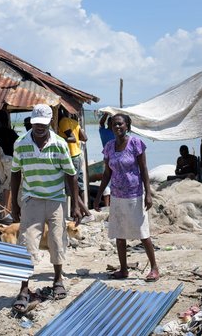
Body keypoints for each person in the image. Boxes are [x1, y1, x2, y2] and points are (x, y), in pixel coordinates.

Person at [10, 104, 88, 312]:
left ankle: (58, 280)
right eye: (36, 123)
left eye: (43, 124)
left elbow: (70, 174)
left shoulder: (60, 144)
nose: (39, 127)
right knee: (27, 243)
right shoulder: (21, 144)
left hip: (56, 200)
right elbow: (16, 173)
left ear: (49, 123)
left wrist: (76, 205)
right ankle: (24, 288)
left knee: (56, 240)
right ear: (31, 122)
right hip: (32, 199)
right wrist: (13, 205)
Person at [93, 114, 160, 282]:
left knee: (142, 232)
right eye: (114, 124)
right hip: (116, 195)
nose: (117, 127)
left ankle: (154, 268)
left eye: (120, 124)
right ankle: (123, 269)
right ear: (111, 127)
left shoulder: (136, 143)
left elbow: (144, 169)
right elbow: (107, 172)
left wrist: (148, 193)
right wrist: (99, 195)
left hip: (134, 195)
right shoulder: (109, 146)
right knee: (119, 233)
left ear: (127, 126)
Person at [57, 110, 88, 200]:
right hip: (78, 155)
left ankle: (77, 209)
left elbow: (72, 139)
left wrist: (58, 139)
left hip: (72, 157)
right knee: (79, 185)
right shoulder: (74, 122)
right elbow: (85, 138)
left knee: (71, 187)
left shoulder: (63, 122)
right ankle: (82, 212)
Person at [96, 112, 115, 207]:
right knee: (108, 182)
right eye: (113, 123)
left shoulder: (113, 132)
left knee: (110, 181)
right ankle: (107, 206)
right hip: (110, 160)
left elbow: (101, 123)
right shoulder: (105, 132)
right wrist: (106, 114)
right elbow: (101, 123)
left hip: (112, 159)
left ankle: (110, 205)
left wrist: (106, 115)